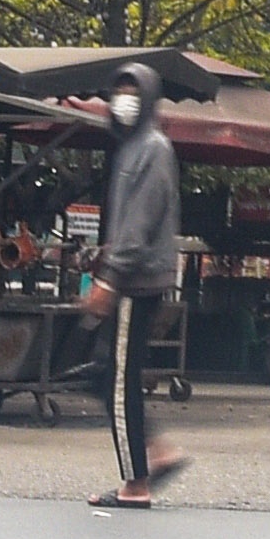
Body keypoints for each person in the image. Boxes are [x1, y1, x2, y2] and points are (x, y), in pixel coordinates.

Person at [85, 69, 191, 512]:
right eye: (118, 93)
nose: (123, 101)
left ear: (148, 99)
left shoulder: (152, 148)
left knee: (120, 381)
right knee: (100, 370)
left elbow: (141, 222)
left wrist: (111, 276)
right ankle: (159, 453)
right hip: (130, 272)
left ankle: (136, 482)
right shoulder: (132, 147)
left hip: (134, 279)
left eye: (132, 94)